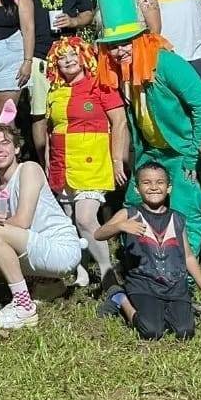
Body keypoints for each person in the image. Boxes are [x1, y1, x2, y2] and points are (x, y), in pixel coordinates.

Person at [95, 0, 201, 256]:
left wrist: (194, 156)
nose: (119, 50)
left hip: (184, 150)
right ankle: (138, 264)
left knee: (184, 209)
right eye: (112, 45)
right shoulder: (120, 70)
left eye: (126, 41)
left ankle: (184, 277)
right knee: (133, 201)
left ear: (141, 37)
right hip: (152, 151)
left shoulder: (166, 62)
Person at [0, 112, 83, 330]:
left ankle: (24, 306)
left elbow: (21, 221)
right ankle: (48, 284)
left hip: (60, 248)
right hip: (30, 245)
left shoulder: (29, 169)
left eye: (5, 143)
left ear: (17, 148)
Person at [95, 162, 201, 339]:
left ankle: (165, 309)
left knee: (185, 332)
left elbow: (188, 257)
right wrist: (120, 225)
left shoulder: (178, 218)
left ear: (169, 188)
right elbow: (98, 234)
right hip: (143, 285)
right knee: (151, 331)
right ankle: (119, 297)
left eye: (160, 182)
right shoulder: (129, 214)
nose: (154, 187)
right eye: (147, 183)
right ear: (137, 188)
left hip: (175, 286)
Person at [44, 36, 128, 286]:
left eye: (73, 55)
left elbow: (120, 122)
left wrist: (117, 160)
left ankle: (107, 272)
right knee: (69, 222)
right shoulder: (55, 91)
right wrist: (49, 160)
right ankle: (79, 270)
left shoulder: (100, 84)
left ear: (83, 57)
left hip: (92, 162)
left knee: (85, 218)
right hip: (63, 163)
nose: (68, 60)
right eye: (61, 57)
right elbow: (51, 129)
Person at [22, 0, 94, 162]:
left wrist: (73, 21)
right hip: (38, 55)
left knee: (69, 108)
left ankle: (69, 158)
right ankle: (44, 164)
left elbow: (88, 14)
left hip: (68, 55)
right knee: (39, 113)